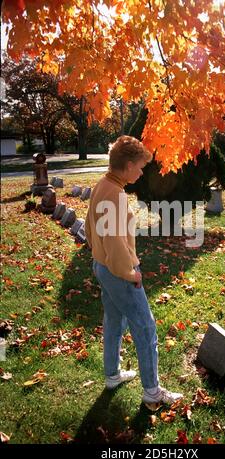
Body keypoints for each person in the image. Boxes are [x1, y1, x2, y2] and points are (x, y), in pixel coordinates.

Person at [85, 135, 183, 406]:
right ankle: (153, 392)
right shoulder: (115, 194)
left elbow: (90, 228)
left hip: (102, 266)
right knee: (146, 327)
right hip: (117, 271)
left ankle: (112, 375)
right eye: (140, 167)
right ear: (127, 166)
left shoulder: (102, 185)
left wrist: (98, 255)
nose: (141, 172)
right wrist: (130, 273)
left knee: (114, 323)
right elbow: (116, 245)